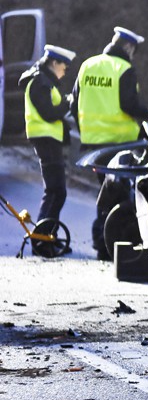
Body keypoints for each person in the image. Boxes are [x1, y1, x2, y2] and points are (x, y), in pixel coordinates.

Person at [70, 27, 148, 260]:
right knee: (122, 193)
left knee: (106, 191)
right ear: (128, 48)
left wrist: (86, 132)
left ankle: (103, 243)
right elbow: (128, 105)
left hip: (93, 145)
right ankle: (113, 243)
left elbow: (74, 105)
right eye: (134, 51)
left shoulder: (87, 65)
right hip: (121, 144)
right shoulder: (124, 69)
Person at [20, 44, 77, 252]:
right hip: (45, 138)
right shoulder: (39, 82)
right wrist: (68, 103)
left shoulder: (44, 81)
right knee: (56, 191)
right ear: (54, 63)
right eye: (65, 66)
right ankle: (42, 241)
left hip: (48, 138)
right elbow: (49, 113)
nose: (65, 71)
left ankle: (47, 237)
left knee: (55, 191)